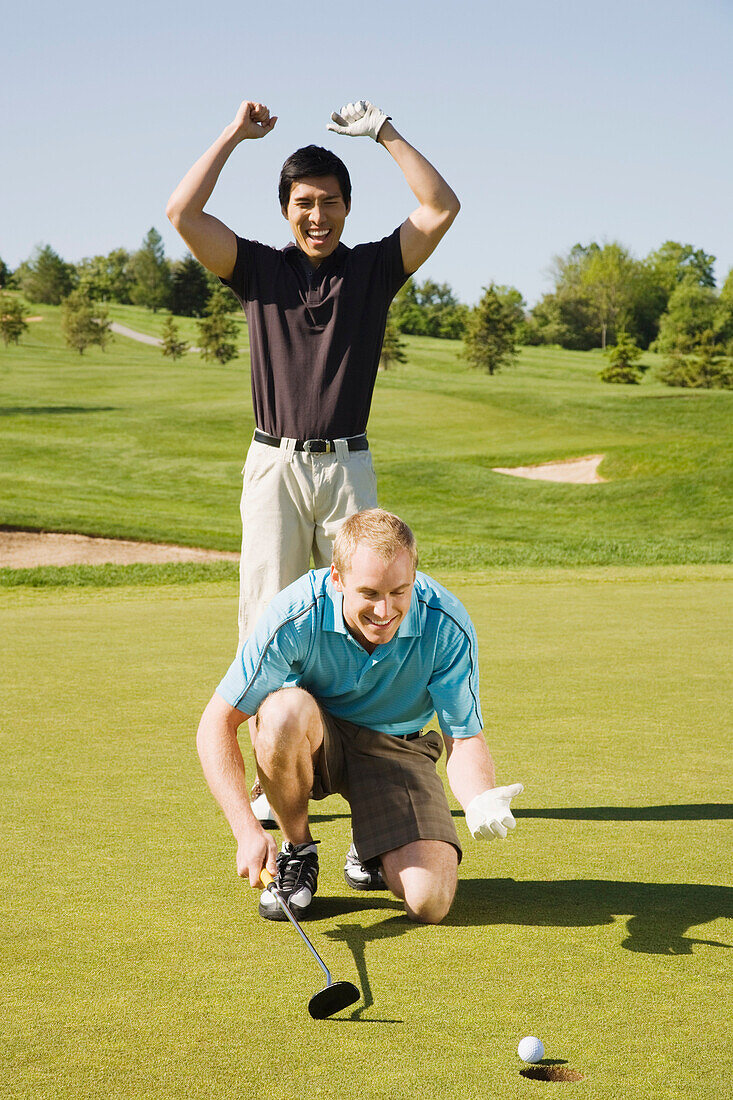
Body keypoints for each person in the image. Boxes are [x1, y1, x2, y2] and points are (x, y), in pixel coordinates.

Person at [168, 98, 460, 832]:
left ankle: (361, 764)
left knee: (364, 616)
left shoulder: (371, 270)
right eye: (304, 203)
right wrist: (234, 132)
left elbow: (439, 205)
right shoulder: (258, 270)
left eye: (330, 201)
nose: (318, 214)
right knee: (269, 620)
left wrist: (385, 131)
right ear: (286, 210)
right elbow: (182, 212)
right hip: (272, 465)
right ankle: (276, 774)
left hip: (347, 467)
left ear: (348, 206)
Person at [196, 509, 524, 925]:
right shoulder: (297, 613)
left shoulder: (446, 623)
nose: (385, 610)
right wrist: (245, 827)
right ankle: (299, 851)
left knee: (430, 903)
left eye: (399, 592)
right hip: (316, 739)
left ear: (415, 578)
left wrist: (477, 797)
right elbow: (216, 723)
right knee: (280, 713)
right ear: (337, 578)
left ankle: (369, 845)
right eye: (369, 593)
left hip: (397, 747)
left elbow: (462, 736)